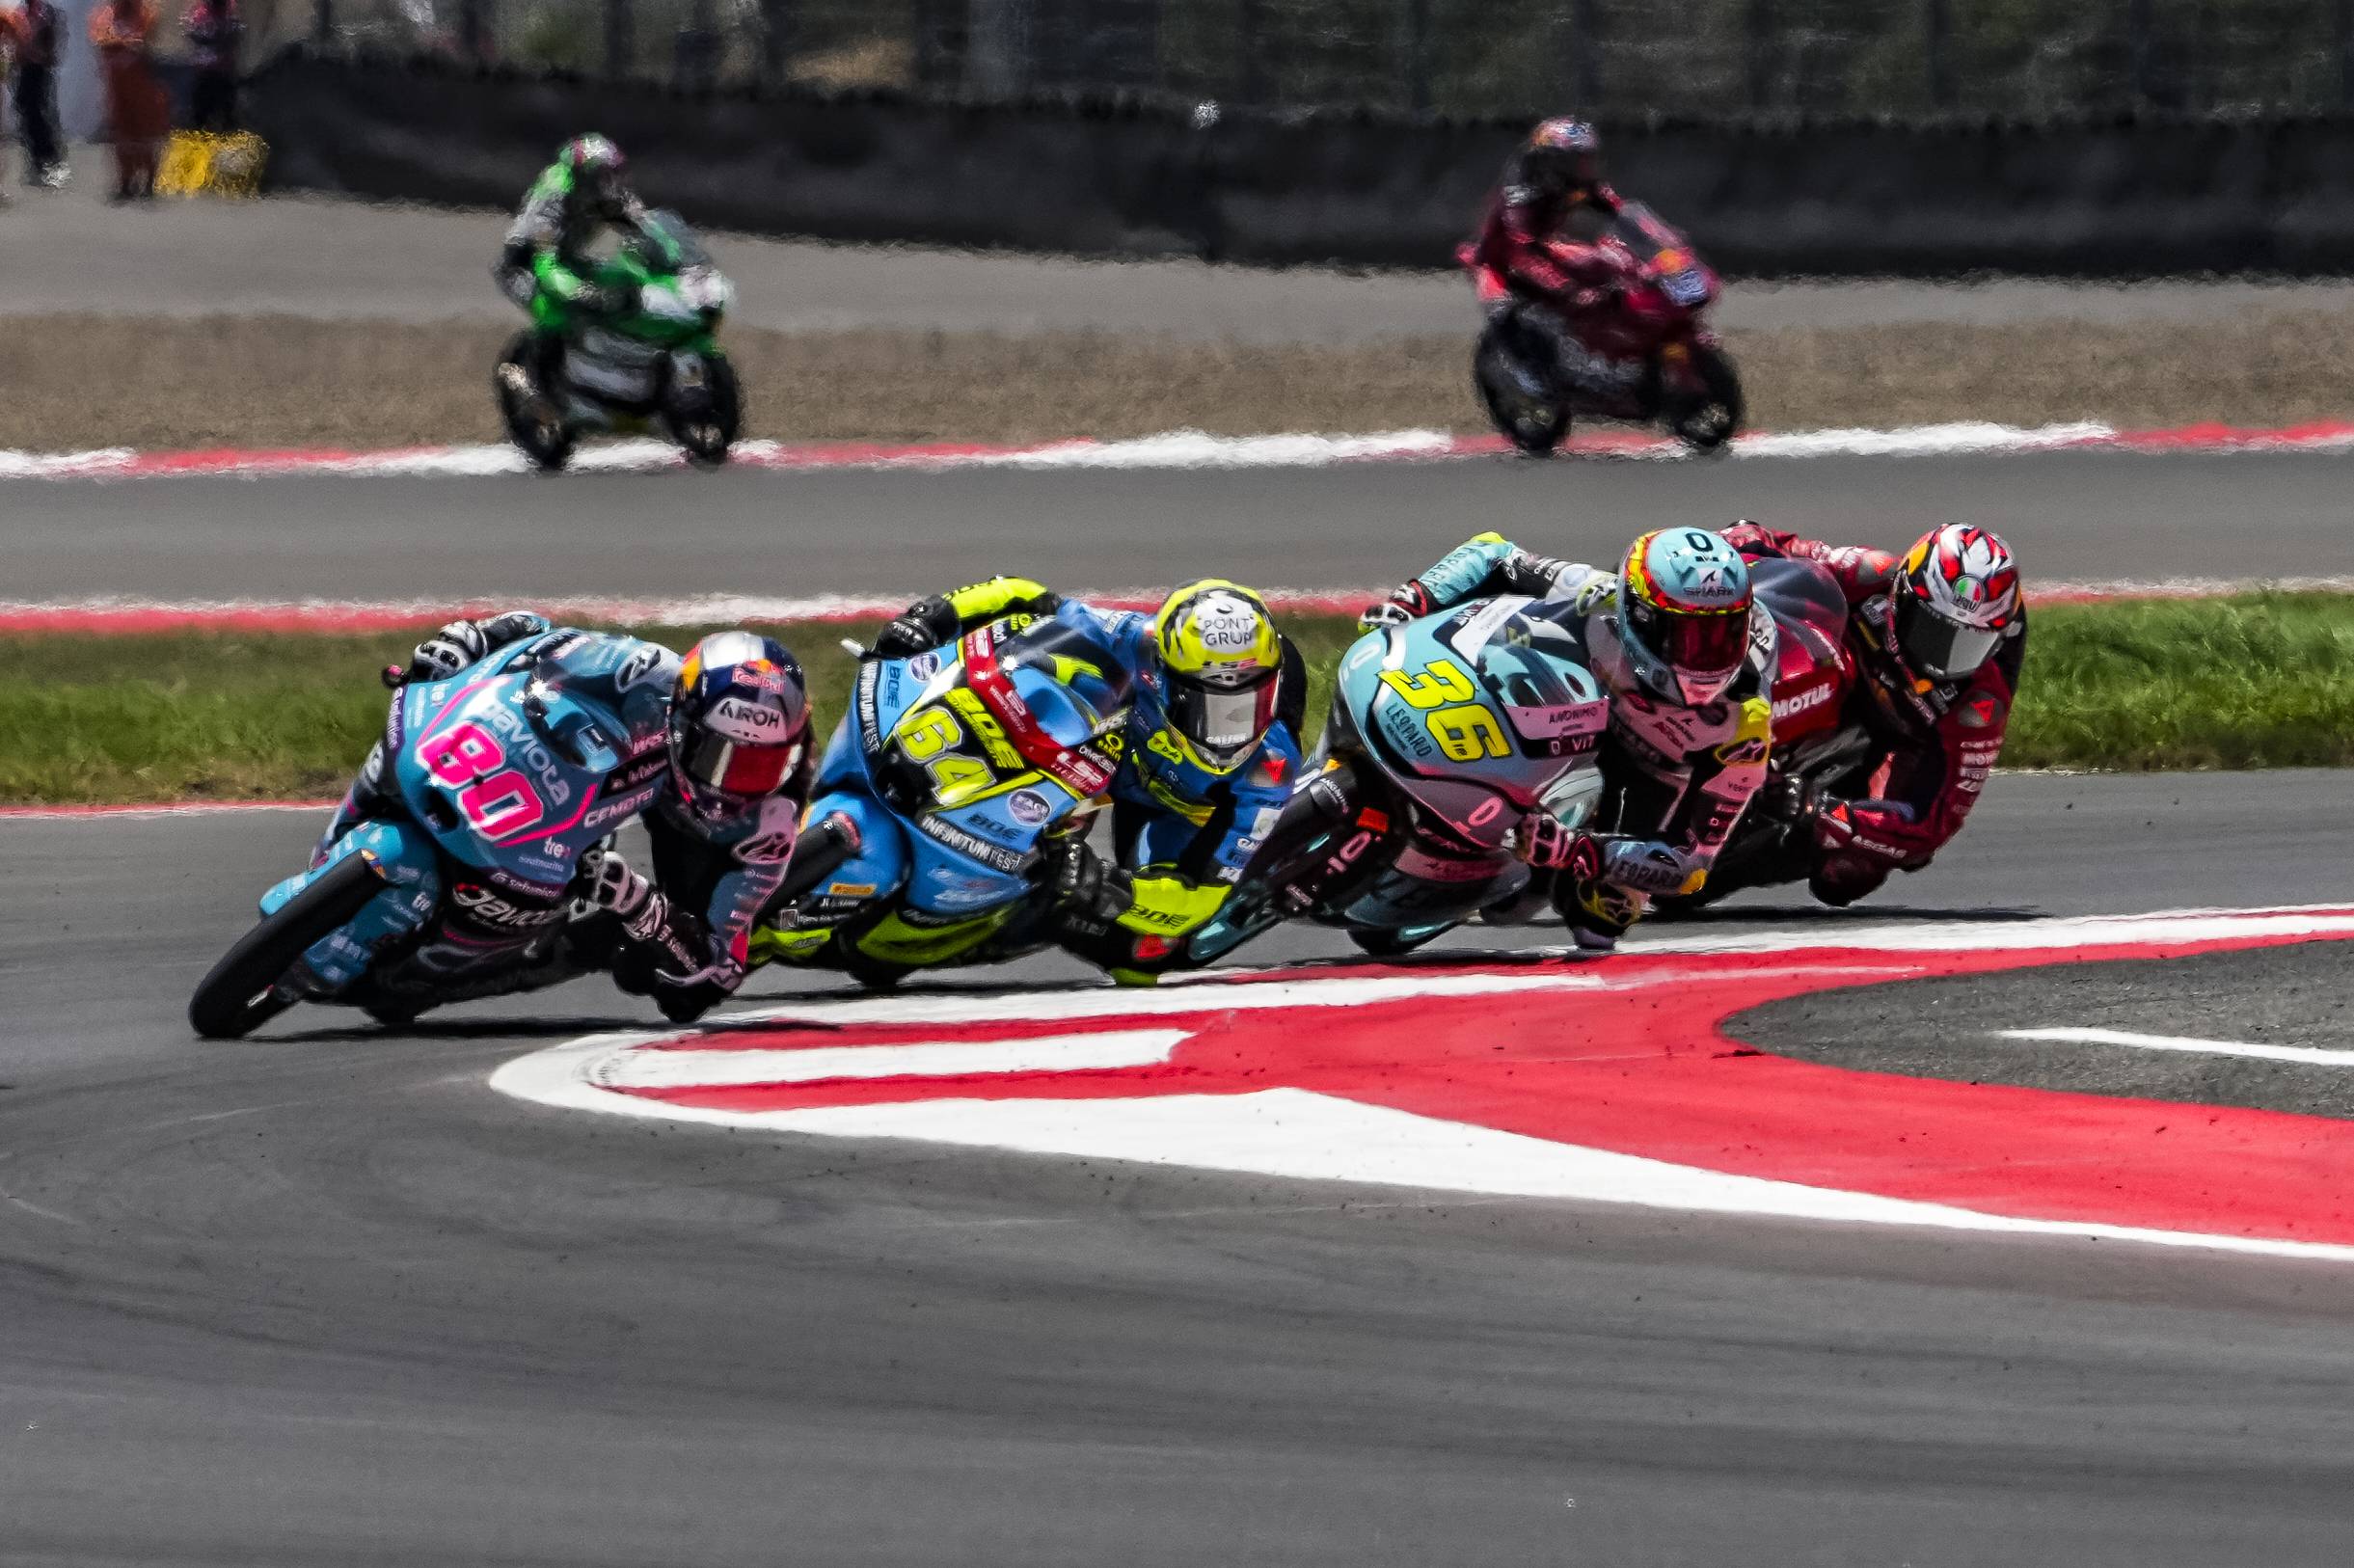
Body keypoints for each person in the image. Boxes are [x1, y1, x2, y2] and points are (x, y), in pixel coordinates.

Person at [326, 612, 814, 1020]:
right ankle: (348, 830)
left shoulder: (767, 820)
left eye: (758, 767)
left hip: (696, 838)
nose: (727, 786)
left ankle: (450, 976)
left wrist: (640, 906)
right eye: (716, 756)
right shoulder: (647, 671)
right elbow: (542, 634)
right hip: (619, 774)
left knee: (669, 982)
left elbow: (717, 971)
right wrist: (469, 639)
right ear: (683, 718)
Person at [866, 576, 1308, 982]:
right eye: (1207, 703)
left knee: (1144, 953)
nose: (1228, 728)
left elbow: (1202, 898)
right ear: (1164, 675)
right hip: (1101, 757)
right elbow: (1029, 597)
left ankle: (987, 929)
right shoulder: (1132, 639)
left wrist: (1104, 884)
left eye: (1248, 701)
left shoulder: (1270, 767)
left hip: (1173, 810)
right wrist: (933, 616)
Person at [1362, 527, 1775, 949]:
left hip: (1656, 778)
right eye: (1688, 638)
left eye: (1723, 636)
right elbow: (1493, 552)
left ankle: (1520, 871)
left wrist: (1580, 852)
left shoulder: (1745, 726)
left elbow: (1692, 868)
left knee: (1600, 919)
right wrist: (1412, 601)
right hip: (1571, 716)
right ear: (1640, 615)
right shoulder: (1596, 596)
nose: (1705, 660)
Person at [1719, 520, 2026, 906]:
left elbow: (1931, 825)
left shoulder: (1980, 703)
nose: (1940, 659)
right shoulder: (1871, 572)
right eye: (1932, 631)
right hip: (1838, 672)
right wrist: (1733, 544)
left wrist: (1822, 811)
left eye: (1966, 645)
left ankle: (1742, 857)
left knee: (1846, 875)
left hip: (1905, 742)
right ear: (1902, 594)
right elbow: (1780, 547)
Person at [1458, 117, 1637, 401]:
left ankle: (1614, 347)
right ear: (1552, 161)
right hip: (1499, 260)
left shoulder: (1576, 182)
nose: (1584, 167)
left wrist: (1646, 239)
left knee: (1608, 265)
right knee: (1503, 310)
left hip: (1543, 247)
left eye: (1586, 159)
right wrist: (1567, 288)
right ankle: (1526, 373)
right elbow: (1520, 252)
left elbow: (1621, 212)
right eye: (1576, 160)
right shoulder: (1521, 193)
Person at [495, 134, 649, 401]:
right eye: (603, 174)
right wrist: (578, 291)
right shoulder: (555, 192)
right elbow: (545, 258)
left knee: (622, 281)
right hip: (526, 265)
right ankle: (531, 379)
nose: (610, 182)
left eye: (613, 174)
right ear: (585, 173)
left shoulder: (603, 192)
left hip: (565, 259)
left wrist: (662, 247)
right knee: (559, 312)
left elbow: (644, 224)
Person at [87, 0, 164, 201]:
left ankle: (148, 181)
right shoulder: (104, 14)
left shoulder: (145, 13)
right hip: (116, 86)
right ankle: (125, 181)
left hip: (142, 85)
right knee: (121, 135)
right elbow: (101, 40)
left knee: (144, 134)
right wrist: (124, 42)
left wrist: (121, 42)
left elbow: (144, 40)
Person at [10, 0, 67, 187]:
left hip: (38, 66)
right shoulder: (21, 13)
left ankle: (49, 155)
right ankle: (37, 158)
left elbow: (51, 36)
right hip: (24, 66)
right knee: (24, 108)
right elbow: (17, 38)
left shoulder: (44, 12)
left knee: (39, 111)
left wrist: (47, 55)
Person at [181, 0, 239, 133]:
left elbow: (235, 35)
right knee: (201, 111)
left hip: (223, 69)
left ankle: (224, 128)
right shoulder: (201, 12)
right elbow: (193, 33)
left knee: (226, 110)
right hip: (205, 69)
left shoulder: (230, 10)